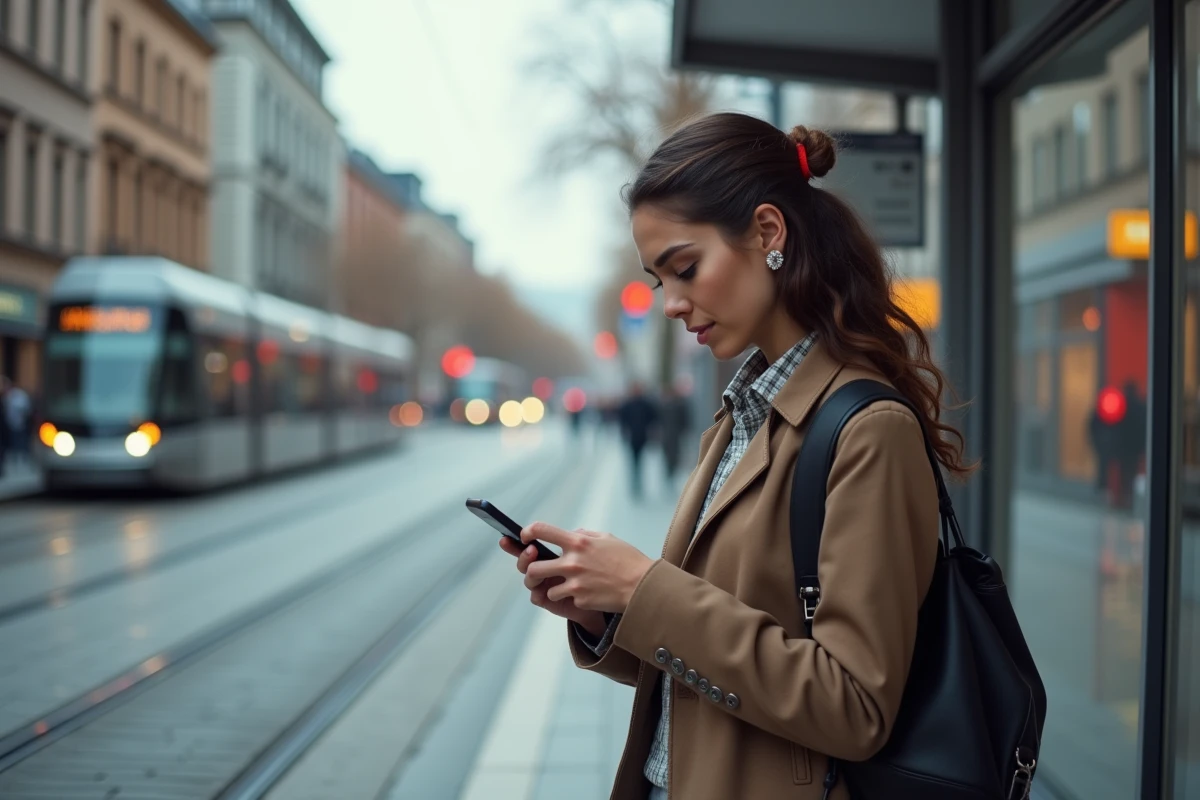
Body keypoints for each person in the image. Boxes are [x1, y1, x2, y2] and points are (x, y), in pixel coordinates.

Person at [498, 112, 973, 800]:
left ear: (768, 233)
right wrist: (606, 611)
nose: (670, 302)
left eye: (684, 268)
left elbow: (855, 707)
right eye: (660, 280)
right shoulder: (739, 415)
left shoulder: (868, 429)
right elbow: (718, 657)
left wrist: (643, 588)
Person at [617, 382, 658, 499]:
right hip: (632, 437)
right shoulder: (628, 405)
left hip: (642, 436)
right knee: (634, 461)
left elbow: (653, 418)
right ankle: (635, 483)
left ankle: (638, 483)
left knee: (640, 461)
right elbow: (622, 420)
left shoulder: (645, 404)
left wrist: (653, 433)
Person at [658, 379, 692, 489]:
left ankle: (671, 474)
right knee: (667, 455)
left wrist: (683, 431)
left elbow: (685, 420)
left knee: (675, 456)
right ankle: (669, 474)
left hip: (675, 435)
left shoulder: (680, 405)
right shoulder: (663, 406)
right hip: (666, 435)